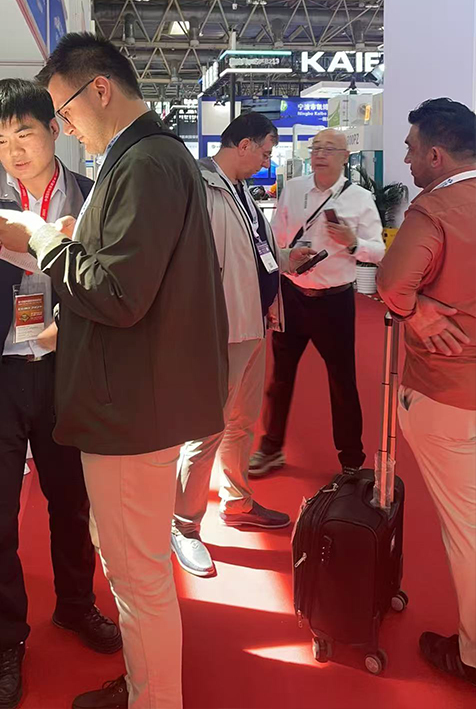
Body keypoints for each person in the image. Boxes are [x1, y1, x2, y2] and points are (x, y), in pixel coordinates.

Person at [0, 33, 229, 709]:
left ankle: (103, 637)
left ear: (90, 95)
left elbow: (120, 291)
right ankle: (10, 640)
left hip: (88, 381)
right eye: (0, 139)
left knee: (103, 539)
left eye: (45, 123)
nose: (22, 146)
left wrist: (43, 239)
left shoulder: (120, 174)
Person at [0, 79, 121, 709]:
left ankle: (75, 603)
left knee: (71, 501)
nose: (14, 150)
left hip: (65, 369)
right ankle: (6, 639)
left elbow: (107, 279)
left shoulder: (91, 195)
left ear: (54, 130)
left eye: (25, 133)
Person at [171, 112, 315, 578]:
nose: (268, 161)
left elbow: (253, 253)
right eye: (266, 152)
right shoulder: (198, 186)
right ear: (245, 144)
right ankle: (183, 525)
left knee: (240, 422)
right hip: (219, 328)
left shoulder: (242, 191)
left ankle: (236, 502)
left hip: (254, 323)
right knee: (206, 428)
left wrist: (287, 259)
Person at [377, 97, 476, 687]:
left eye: (412, 150)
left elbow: (392, 283)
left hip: (448, 393)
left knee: (468, 530)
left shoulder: (435, 209)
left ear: (437, 155)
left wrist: (414, 312)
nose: (408, 161)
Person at [248, 128, 385, 478]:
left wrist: (353, 243)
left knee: (342, 382)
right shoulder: (294, 189)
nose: (320, 154)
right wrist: (287, 256)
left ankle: (351, 459)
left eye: (329, 148)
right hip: (293, 295)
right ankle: (271, 448)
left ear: (345, 157)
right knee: (280, 377)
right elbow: (276, 235)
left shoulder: (360, 198)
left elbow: (380, 251)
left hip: (334, 302)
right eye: (316, 147)